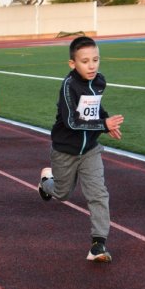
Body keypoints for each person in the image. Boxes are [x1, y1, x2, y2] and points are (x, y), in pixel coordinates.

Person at [37, 36, 124, 263]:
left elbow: (96, 108)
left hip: (90, 151)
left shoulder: (99, 81)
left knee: (98, 193)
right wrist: (103, 125)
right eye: (85, 61)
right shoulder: (68, 87)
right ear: (72, 64)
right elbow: (72, 122)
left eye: (96, 59)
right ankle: (46, 183)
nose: (92, 65)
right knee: (62, 193)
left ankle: (98, 244)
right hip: (65, 151)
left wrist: (106, 124)